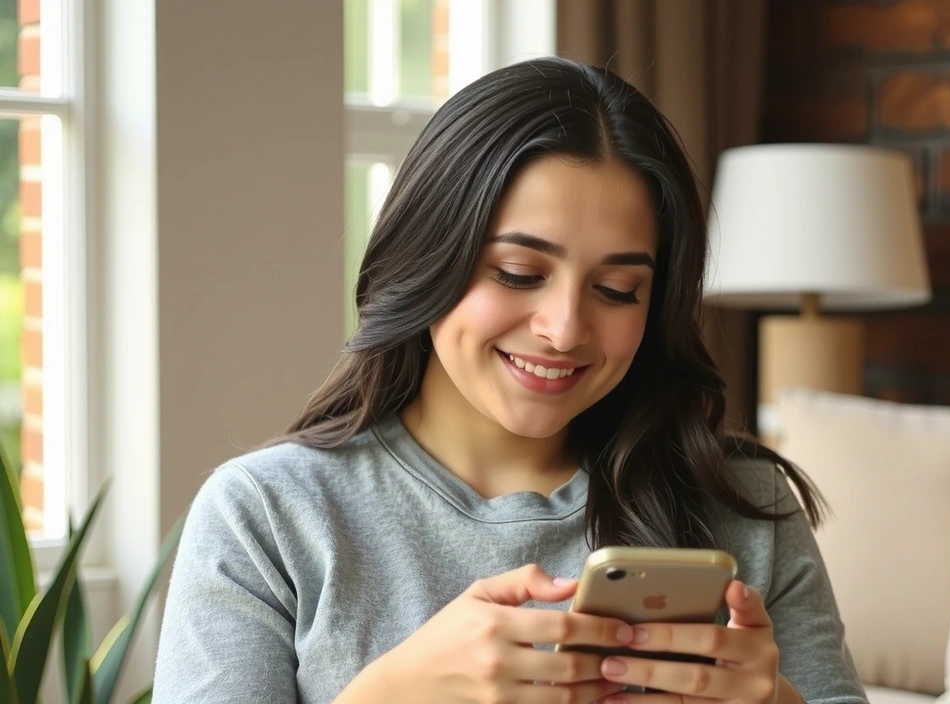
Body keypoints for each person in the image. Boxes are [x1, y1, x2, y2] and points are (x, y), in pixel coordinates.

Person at [152, 57, 868, 704]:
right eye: (519, 274)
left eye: (618, 289)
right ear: (427, 255)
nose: (564, 328)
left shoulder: (742, 505)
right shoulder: (268, 517)